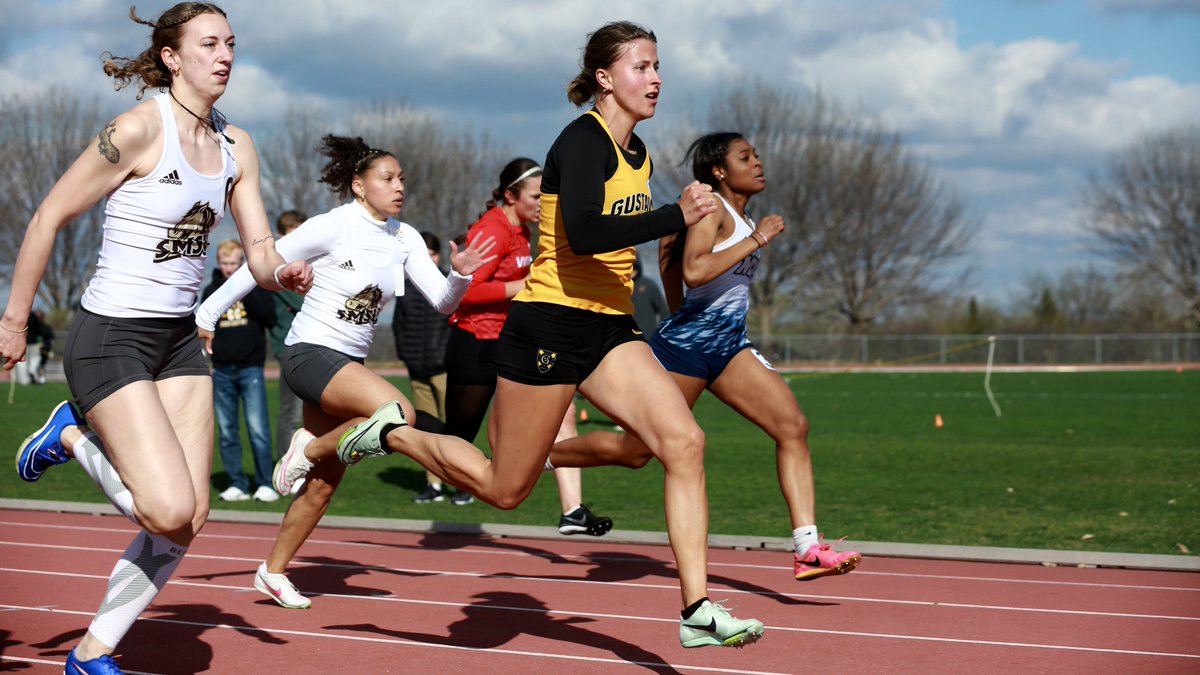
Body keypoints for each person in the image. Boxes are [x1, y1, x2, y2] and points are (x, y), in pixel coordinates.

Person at [275, 22, 764, 649]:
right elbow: (585, 233)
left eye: (658, 65)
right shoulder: (582, 142)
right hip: (552, 324)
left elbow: (615, 238)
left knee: (683, 442)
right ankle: (393, 434)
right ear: (605, 79)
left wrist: (665, 227)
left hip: (610, 324)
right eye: (641, 67)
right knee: (506, 489)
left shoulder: (636, 151)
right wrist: (676, 213)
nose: (656, 78)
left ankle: (695, 609)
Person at [3, 4, 312, 673]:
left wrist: (282, 270)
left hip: (176, 341)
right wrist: (13, 322)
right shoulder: (140, 128)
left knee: (189, 517)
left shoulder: (238, 145)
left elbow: (258, 247)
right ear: (172, 57)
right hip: (110, 336)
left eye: (231, 43)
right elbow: (50, 213)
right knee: (166, 506)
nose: (225, 54)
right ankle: (70, 434)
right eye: (209, 43)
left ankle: (92, 654)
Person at [195, 134, 495, 611]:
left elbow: (441, 303)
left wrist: (459, 274)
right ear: (359, 186)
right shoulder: (334, 226)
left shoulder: (405, 237)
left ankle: (271, 572)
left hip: (346, 366)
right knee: (397, 412)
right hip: (308, 353)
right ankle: (306, 446)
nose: (399, 187)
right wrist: (206, 315)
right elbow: (260, 263)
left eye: (402, 179)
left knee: (321, 487)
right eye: (387, 178)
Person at [567, 132, 863, 582]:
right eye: (746, 157)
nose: (758, 162)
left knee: (792, 426)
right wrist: (758, 240)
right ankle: (543, 457)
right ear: (719, 171)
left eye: (757, 155)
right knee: (636, 451)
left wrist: (746, 242)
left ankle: (807, 547)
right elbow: (693, 268)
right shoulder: (714, 209)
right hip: (685, 350)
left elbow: (672, 260)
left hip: (728, 348)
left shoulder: (742, 217)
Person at [445, 157, 612, 535]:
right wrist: (521, 288)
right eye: (536, 196)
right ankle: (389, 428)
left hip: (508, 343)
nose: (543, 203)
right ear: (509, 195)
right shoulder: (492, 230)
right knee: (453, 435)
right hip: (474, 342)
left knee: (562, 411)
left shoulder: (521, 231)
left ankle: (573, 512)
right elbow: (465, 293)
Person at [393, 230, 473, 506]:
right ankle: (434, 484)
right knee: (426, 432)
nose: (425, 260)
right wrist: (407, 357)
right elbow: (399, 327)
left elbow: (458, 322)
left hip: (444, 368)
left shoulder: (447, 283)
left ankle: (463, 484)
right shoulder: (406, 287)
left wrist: (446, 355)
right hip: (418, 369)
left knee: (455, 428)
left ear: (437, 256)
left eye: (431, 255)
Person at [203, 239, 278, 503]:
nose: (229, 268)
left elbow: (271, 317)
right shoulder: (211, 290)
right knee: (227, 430)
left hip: (251, 369)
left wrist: (245, 289)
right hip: (222, 370)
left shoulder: (256, 287)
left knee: (258, 429)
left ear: (242, 263)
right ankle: (237, 483)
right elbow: (204, 324)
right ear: (218, 263)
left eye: (234, 263)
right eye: (224, 263)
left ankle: (265, 482)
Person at [270, 210, 307, 464]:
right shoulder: (277, 267)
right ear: (281, 237)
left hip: (315, 345)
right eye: (294, 235)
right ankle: (284, 465)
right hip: (289, 347)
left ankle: (308, 465)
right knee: (291, 411)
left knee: (315, 413)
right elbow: (304, 300)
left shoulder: (309, 264)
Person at [630, 255, 669, 333]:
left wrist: (661, 334)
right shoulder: (620, 288)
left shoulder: (649, 285)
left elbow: (664, 313)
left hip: (649, 338)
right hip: (627, 340)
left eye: (634, 267)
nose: (631, 270)